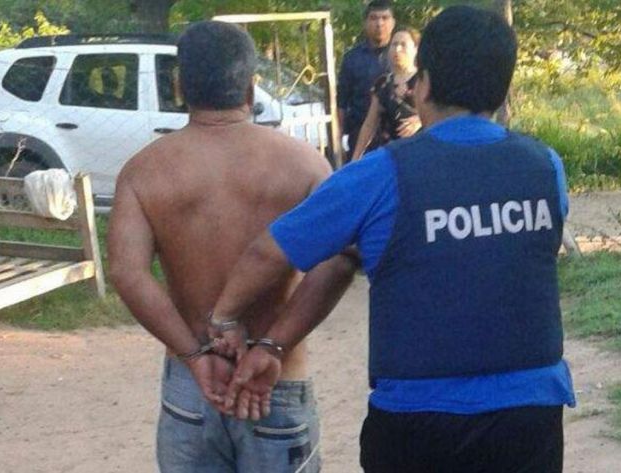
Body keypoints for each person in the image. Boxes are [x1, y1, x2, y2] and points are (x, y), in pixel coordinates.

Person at [210, 6, 576, 473]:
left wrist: (224, 318)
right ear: (503, 90)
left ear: (423, 83)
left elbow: (271, 251)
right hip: (531, 415)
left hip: (418, 418)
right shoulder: (546, 166)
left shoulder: (381, 174)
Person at [108, 21, 352, 473]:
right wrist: (273, 345)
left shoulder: (144, 171)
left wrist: (194, 355)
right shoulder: (305, 165)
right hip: (276, 377)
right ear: (251, 87)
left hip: (194, 382)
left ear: (179, 86)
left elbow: (127, 272)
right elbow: (339, 261)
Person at [337, 0, 395, 160]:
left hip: (397, 137)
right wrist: (338, 139)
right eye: (374, 18)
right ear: (365, 22)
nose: (379, 23)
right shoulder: (352, 59)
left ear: (393, 22)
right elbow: (341, 103)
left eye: (385, 18)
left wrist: (416, 120)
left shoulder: (406, 55)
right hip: (360, 139)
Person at [351, 28, 421, 160]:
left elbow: (442, 114)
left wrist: (419, 121)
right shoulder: (383, 83)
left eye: (403, 45)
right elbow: (369, 124)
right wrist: (356, 158)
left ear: (415, 49)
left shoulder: (424, 80)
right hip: (391, 153)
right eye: (394, 44)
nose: (397, 49)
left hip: (419, 150)